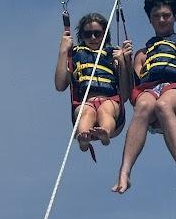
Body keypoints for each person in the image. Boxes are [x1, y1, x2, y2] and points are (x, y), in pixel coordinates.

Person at [112, 0, 176, 194]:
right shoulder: (143, 54)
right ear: (150, 19)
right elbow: (129, 92)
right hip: (149, 92)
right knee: (145, 105)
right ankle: (125, 171)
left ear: (174, 17)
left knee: (163, 104)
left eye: (166, 15)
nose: (162, 20)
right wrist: (124, 63)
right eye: (156, 16)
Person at [54, 12, 132, 152]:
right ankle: (83, 138)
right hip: (85, 101)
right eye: (87, 34)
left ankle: (105, 132)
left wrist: (123, 62)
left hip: (110, 100)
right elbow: (60, 85)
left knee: (105, 110)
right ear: (82, 36)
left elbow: (125, 95)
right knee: (86, 111)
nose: (93, 38)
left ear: (104, 34)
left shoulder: (113, 54)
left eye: (97, 33)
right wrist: (63, 51)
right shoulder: (75, 54)